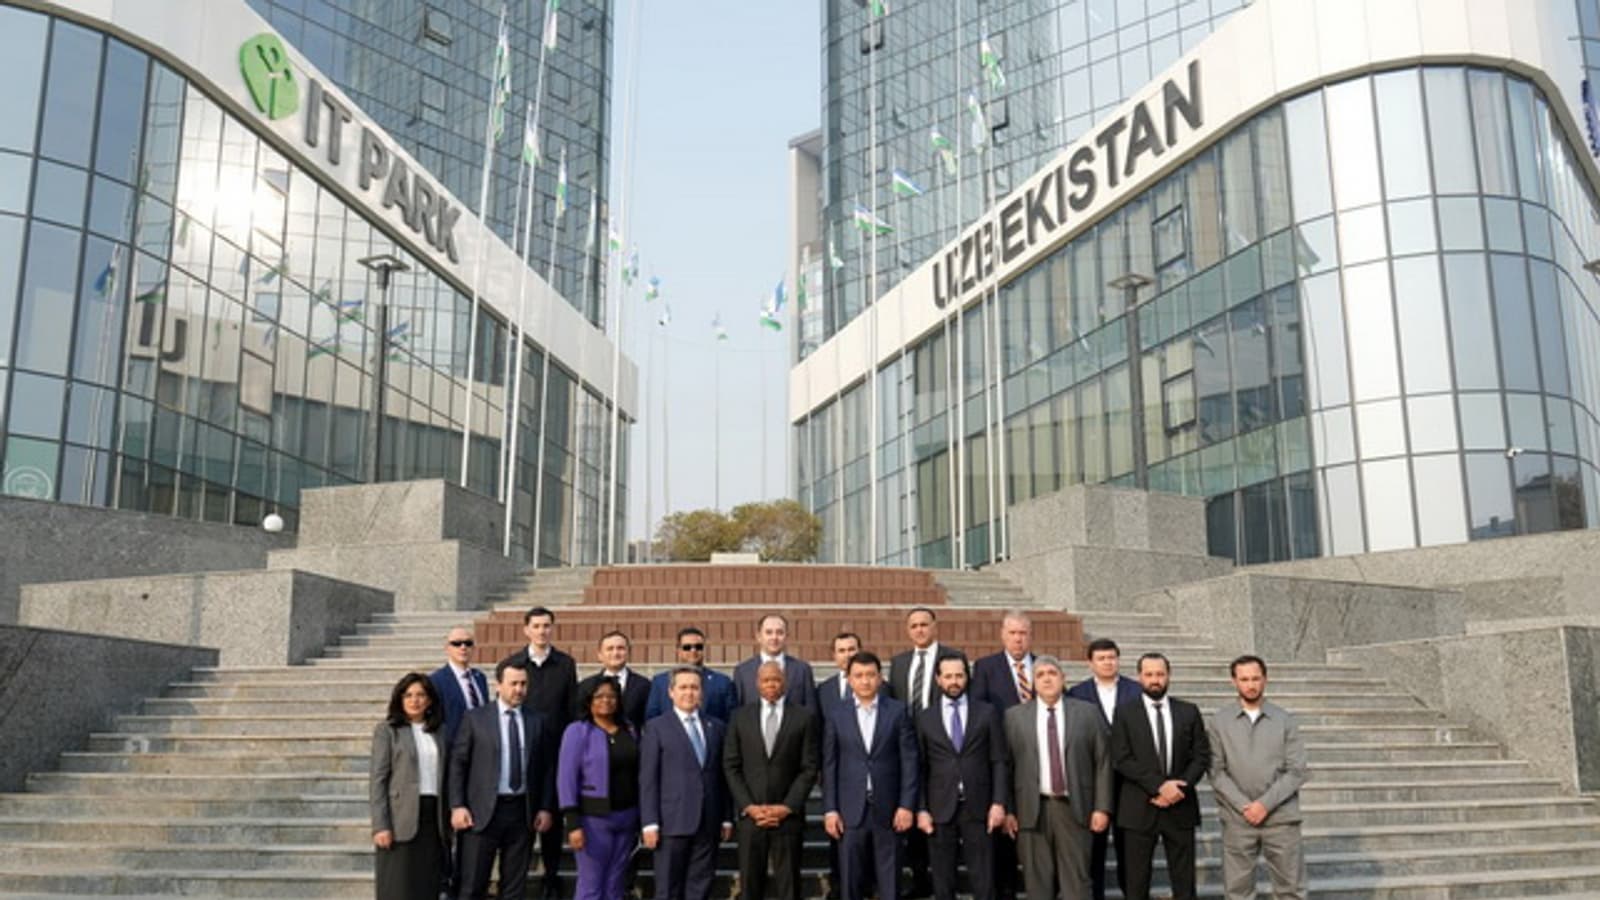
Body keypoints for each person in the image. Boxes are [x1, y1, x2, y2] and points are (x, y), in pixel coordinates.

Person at [1001, 654, 1111, 900]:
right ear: (1032, 683)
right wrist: (1008, 810)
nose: (1047, 679)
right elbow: (1006, 767)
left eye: (1052, 673)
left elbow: (1103, 762)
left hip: (1075, 808)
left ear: (1063, 678)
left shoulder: (1088, 713)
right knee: (1037, 883)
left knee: (1077, 883)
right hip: (1031, 810)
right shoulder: (1014, 717)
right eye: (1040, 675)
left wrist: (1102, 808)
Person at [448, 659, 556, 900]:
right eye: (513, 684)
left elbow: (547, 768)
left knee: (514, 888)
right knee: (472, 885)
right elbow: (458, 764)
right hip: (481, 812)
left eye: (523, 684)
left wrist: (545, 807)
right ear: (498, 685)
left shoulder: (537, 721)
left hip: (522, 812)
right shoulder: (475, 719)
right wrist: (457, 805)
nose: (519, 689)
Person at [1108, 653, 1211, 900]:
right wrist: (1159, 786)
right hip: (1139, 807)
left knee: (1184, 883)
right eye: (1149, 674)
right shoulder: (1124, 713)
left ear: (1169, 675)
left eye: (1160, 674)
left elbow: (1201, 756)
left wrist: (1179, 789)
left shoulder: (1188, 711)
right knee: (1136, 883)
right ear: (1139, 677)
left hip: (1180, 805)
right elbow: (1121, 758)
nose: (1155, 680)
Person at [1207, 655, 1309, 900]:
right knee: (1237, 892)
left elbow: (1296, 770)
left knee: (1291, 890)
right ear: (1234, 681)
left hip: (1281, 818)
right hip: (1237, 819)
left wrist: (1264, 804)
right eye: (1244, 679)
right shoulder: (1219, 722)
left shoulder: (1285, 720)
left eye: (1255, 678)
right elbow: (1216, 771)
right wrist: (1245, 806)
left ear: (1265, 679)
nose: (1251, 685)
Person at [823, 651, 919, 900]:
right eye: (859, 675)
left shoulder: (897, 711)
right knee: (850, 880)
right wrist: (830, 809)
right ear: (849, 679)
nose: (865, 681)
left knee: (889, 881)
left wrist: (906, 805)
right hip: (849, 810)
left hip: (889, 809)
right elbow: (830, 764)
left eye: (870, 675)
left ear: (880, 678)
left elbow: (909, 762)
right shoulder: (836, 714)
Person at [723, 661, 821, 900]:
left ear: (784, 682)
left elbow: (809, 767)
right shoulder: (740, 717)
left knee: (789, 886)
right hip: (751, 817)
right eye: (766, 680)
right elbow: (731, 765)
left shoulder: (803, 717)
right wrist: (749, 806)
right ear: (757, 683)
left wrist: (787, 807)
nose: (771, 685)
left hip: (788, 818)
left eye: (776, 679)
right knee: (750, 886)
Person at [915, 656, 1008, 900]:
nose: (954, 681)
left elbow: (999, 760)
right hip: (939, 807)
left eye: (959, 675)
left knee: (984, 880)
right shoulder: (925, 718)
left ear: (967, 677)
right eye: (948, 676)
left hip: (979, 806)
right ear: (938, 679)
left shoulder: (987, 712)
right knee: (943, 881)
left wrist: (999, 802)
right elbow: (920, 767)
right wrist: (921, 809)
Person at [502, 605, 579, 900]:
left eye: (546, 625)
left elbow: (571, 709)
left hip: (555, 752)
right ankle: (516, 879)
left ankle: (551, 875)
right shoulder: (513, 664)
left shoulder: (565, 664)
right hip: (521, 750)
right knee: (522, 818)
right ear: (526, 629)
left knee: (552, 818)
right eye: (536, 626)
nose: (542, 631)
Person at [889, 607, 965, 898]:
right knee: (913, 814)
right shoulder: (899, 663)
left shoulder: (952, 658)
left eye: (924, 624)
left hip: (943, 750)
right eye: (914, 626)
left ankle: (947, 882)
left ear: (934, 626)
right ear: (908, 630)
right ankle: (920, 880)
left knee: (943, 818)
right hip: (907, 747)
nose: (919, 630)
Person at [641, 667, 732, 900]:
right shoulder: (656, 727)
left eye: (694, 687)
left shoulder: (716, 727)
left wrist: (726, 817)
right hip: (671, 821)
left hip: (708, 821)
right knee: (668, 888)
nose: (689, 693)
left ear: (702, 692)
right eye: (683, 687)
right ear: (671, 692)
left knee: (700, 887)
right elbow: (648, 778)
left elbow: (722, 777)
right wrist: (649, 822)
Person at [1065, 638, 1142, 900]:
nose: (1108, 663)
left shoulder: (1136, 690)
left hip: (1128, 782)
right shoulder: (1077, 694)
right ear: (1090, 663)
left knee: (1128, 849)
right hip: (1092, 782)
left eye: (1112, 657)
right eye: (1101, 658)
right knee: (1092, 849)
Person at [969, 611, 1038, 899]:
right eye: (1012, 633)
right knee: (1003, 838)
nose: (1018, 639)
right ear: (1002, 635)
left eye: (1023, 633)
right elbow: (978, 711)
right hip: (1001, 755)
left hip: (1039, 759)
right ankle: (1006, 889)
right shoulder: (986, 667)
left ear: (1030, 636)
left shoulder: (1043, 667)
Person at [557, 676, 641, 900]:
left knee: (616, 883)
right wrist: (573, 823)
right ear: (588, 700)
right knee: (591, 885)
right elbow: (566, 778)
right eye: (599, 696)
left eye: (612, 696)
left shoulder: (629, 730)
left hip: (627, 817)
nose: (606, 700)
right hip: (593, 820)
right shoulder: (577, 731)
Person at [370, 673, 448, 900]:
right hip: (400, 818)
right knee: (398, 887)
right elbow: (378, 779)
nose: (415, 700)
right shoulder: (388, 730)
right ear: (400, 699)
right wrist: (381, 825)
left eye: (421, 695)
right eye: (408, 695)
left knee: (426, 885)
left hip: (433, 817)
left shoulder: (439, 732)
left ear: (429, 700)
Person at [646, 626, 738, 723]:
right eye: (687, 647)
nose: (693, 650)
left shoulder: (722, 682)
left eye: (698, 647)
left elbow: (732, 719)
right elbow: (651, 719)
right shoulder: (660, 682)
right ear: (678, 650)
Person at [733, 613, 819, 709]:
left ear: (786, 636)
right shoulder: (742, 672)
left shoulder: (802, 670)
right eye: (769, 632)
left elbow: (811, 710)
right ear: (759, 636)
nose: (774, 637)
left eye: (780, 632)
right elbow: (738, 712)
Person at [430, 626, 490, 747]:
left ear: (473, 648)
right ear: (447, 648)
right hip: (453, 748)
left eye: (468, 643)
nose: (463, 647)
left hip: (481, 747)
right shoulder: (436, 680)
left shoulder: (480, 678)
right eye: (456, 643)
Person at [578, 630, 650, 731]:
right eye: (610, 649)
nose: (615, 653)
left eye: (620, 648)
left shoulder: (645, 685)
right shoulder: (585, 686)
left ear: (628, 653)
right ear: (600, 655)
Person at [818, 632, 869, 720]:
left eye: (851, 649)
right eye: (841, 651)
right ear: (834, 655)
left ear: (860, 651)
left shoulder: (878, 685)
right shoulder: (823, 690)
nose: (847, 655)